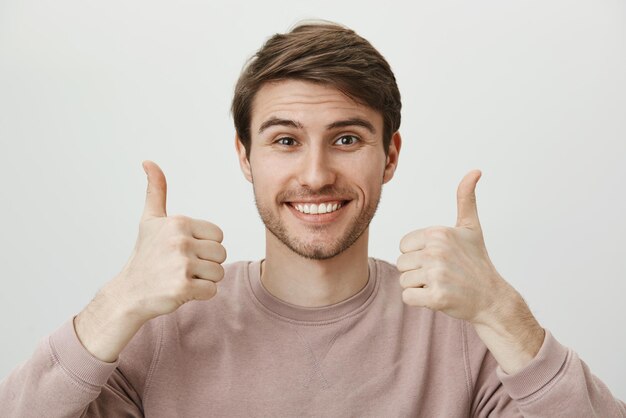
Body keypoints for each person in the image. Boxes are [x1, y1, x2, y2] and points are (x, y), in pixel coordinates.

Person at [0, 21, 624, 418]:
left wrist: (502, 314)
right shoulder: (163, 329)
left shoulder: (464, 334)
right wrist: (117, 304)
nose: (317, 174)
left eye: (347, 139)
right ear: (245, 156)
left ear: (391, 156)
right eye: (286, 141)